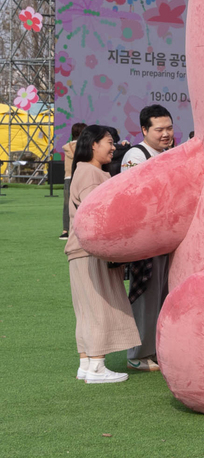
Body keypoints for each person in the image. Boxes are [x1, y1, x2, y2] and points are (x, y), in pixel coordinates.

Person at [67, 125, 142, 384]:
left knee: (87, 310)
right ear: (93, 144)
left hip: (82, 252)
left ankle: (87, 363)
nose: (114, 147)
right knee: (99, 308)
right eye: (109, 141)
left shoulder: (86, 171)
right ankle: (97, 366)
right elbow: (96, 216)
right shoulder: (90, 174)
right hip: (92, 252)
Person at [119, 104, 177, 373]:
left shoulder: (168, 153)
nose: (165, 134)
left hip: (165, 236)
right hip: (146, 238)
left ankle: (154, 349)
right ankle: (138, 353)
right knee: (145, 293)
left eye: (169, 128)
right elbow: (134, 197)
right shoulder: (136, 155)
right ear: (144, 130)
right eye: (159, 129)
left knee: (162, 294)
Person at [59, 121, 85, 239]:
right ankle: (81, 229)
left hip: (68, 178)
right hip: (81, 177)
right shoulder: (84, 147)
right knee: (83, 203)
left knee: (67, 205)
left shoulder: (67, 147)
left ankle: (65, 231)